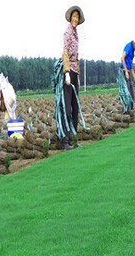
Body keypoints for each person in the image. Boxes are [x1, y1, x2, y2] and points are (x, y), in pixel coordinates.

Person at [61, 5, 84, 150]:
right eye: (73, 16)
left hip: (76, 72)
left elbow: (77, 56)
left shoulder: (76, 33)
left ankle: (73, 138)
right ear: (70, 18)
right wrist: (67, 72)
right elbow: (65, 52)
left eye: (77, 17)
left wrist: (78, 75)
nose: (75, 19)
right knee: (67, 108)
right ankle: (64, 141)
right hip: (69, 72)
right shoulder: (68, 32)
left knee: (75, 108)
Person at [120, 37, 135, 111]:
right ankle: (125, 111)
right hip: (123, 71)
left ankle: (130, 110)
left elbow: (130, 65)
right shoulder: (129, 47)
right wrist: (125, 71)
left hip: (128, 71)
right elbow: (122, 58)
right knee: (127, 92)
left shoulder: (133, 50)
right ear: (134, 43)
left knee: (131, 92)